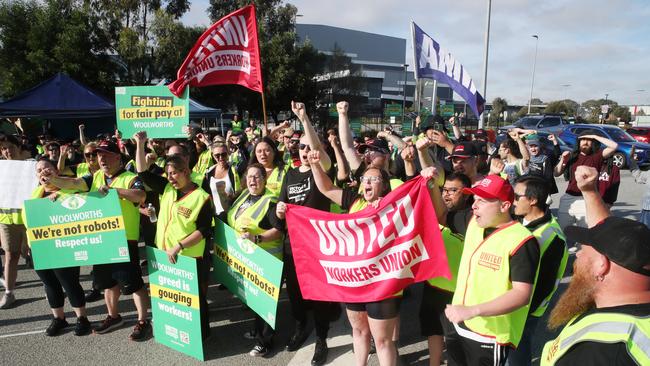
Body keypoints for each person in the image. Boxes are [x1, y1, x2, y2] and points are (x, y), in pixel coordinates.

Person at [541, 165, 650, 366]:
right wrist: (589, 192)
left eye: (582, 250)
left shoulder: (598, 352)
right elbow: (613, 241)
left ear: (602, 266)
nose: (578, 255)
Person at [42, 139, 150, 340]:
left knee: (134, 284)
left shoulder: (130, 177)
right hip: (102, 240)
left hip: (125, 240)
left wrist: (115, 192)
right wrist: (54, 182)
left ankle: (143, 321)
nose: (101, 159)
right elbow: (74, 184)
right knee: (108, 284)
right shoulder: (96, 176)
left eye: (106, 155)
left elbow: (140, 195)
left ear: (117, 157)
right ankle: (113, 316)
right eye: (98, 155)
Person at [308, 148, 402, 366]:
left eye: (374, 179)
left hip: (383, 284)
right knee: (359, 331)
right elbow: (326, 188)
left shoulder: (395, 204)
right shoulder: (353, 200)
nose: (367, 183)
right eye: (364, 179)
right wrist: (314, 164)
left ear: (385, 185)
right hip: (355, 281)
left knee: (382, 340)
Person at [444, 175, 540, 366]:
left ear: (504, 206)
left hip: (489, 336)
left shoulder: (522, 241)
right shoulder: (474, 223)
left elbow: (522, 295)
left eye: (482, 200)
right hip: (461, 323)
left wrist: (473, 310)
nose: (474, 205)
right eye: (475, 199)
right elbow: (439, 212)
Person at [133, 131, 213, 339]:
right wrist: (140, 144)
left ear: (186, 171)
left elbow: (204, 230)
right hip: (165, 254)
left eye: (174, 174)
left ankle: (201, 336)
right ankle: (180, 336)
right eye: (168, 174)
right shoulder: (167, 188)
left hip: (189, 257)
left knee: (195, 300)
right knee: (173, 299)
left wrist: (179, 246)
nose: (170, 178)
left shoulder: (201, 197)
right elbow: (142, 173)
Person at [273, 101, 334, 366]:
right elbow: (282, 205)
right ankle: (301, 326)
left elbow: (318, 148)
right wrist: (279, 209)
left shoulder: (323, 170)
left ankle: (322, 338)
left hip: (317, 245)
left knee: (318, 295)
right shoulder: (290, 173)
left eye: (310, 146)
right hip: (293, 245)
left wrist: (303, 117)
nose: (307, 150)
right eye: (302, 147)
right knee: (296, 294)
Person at [23, 158, 91, 336]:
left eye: (47, 169)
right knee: (49, 284)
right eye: (39, 170)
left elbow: (78, 204)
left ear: (56, 171)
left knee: (69, 282)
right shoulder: (35, 194)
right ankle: (59, 318)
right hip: (40, 247)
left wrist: (58, 199)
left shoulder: (70, 188)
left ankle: (82, 319)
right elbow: (28, 220)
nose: (43, 173)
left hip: (63, 247)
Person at [508, 175, 568, 366]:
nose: (512, 201)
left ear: (533, 200)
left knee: (516, 354)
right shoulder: (519, 220)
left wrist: (519, 307)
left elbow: (545, 284)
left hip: (525, 309)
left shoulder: (551, 237)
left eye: (517, 197)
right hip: (510, 303)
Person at [227, 163, 283, 357]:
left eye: (257, 177)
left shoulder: (270, 202)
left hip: (266, 259)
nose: (253, 180)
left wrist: (257, 238)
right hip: (248, 258)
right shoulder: (244, 195)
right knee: (255, 300)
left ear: (264, 179)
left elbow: (278, 231)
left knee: (265, 303)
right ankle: (257, 331)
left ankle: (265, 342)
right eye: (250, 177)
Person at [554, 130, 618, 230]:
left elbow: (614, 146)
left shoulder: (597, 156)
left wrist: (594, 135)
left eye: (589, 140)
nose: (585, 142)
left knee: (585, 234)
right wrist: (562, 159)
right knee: (562, 231)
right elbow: (556, 173)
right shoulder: (572, 156)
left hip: (586, 199)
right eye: (582, 139)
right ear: (578, 142)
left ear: (593, 143)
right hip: (568, 198)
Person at [0, 135, 27, 308]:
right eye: (3, 149)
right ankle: (9, 293)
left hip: (29, 218)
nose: (7, 151)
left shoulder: (30, 166)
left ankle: (51, 289)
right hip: (6, 219)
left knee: (38, 255)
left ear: (18, 147)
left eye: (10, 147)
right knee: (10, 256)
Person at [202, 142, 241, 222]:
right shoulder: (208, 172)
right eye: (217, 155)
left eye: (223, 154)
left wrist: (233, 197)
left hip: (232, 215)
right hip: (215, 216)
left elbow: (241, 191)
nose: (221, 158)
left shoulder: (235, 170)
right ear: (213, 155)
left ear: (228, 154)